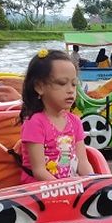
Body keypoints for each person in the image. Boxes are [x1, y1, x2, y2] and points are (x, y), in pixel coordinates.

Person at [18, 49, 94, 183]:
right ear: (39, 87)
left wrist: (93, 181)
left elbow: (83, 162)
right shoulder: (35, 123)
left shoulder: (75, 122)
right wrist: (64, 188)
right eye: (62, 83)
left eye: (74, 84)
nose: (70, 90)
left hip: (70, 187)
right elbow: (39, 171)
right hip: (41, 191)